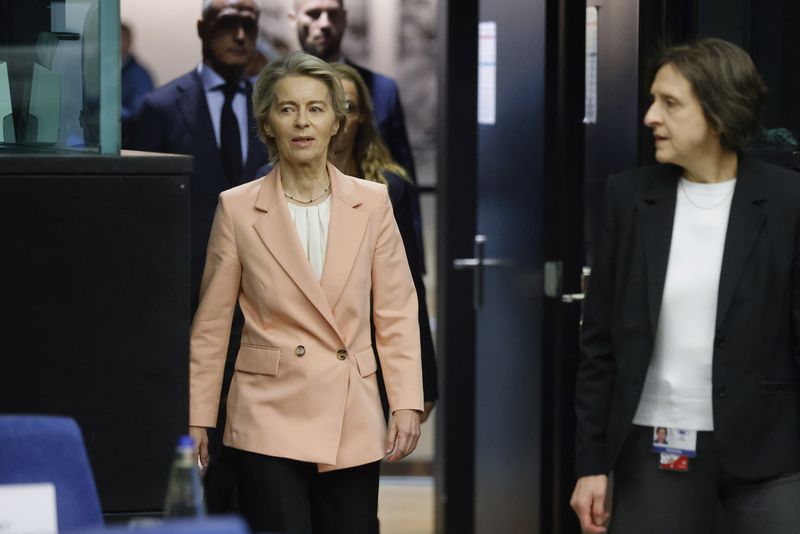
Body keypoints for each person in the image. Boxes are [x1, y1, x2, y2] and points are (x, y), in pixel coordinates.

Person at [571, 38, 800, 534]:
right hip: (656, 446)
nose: (650, 116)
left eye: (670, 103)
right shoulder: (628, 199)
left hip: (771, 453)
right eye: (654, 100)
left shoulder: (787, 202)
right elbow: (600, 344)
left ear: (719, 112)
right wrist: (591, 463)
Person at [189, 51, 423, 533]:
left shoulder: (372, 202)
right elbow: (212, 323)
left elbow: (397, 311)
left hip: (351, 410)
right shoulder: (236, 209)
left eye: (316, 108)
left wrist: (405, 402)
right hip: (266, 411)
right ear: (267, 122)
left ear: (337, 121)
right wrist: (198, 417)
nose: (302, 122)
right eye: (287, 108)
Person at [126, 0, 268, 514]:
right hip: (183, 297)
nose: (239, 35)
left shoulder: (270, 111)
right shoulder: (160, 109)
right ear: (203, 29)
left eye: (248, 25)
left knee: (252, 442)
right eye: (228, 23)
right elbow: (137, 222)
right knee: (189, 435)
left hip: (262, 302)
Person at [329, 63, 438, 421]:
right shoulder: (272, 183)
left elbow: (406, 291)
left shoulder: (389, 188)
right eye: (328, 104)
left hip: (364, 356)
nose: (340, 118)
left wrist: (423, 382)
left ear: (363, 118)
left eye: (350, 107)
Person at [120, 22, 154, 130]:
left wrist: (108, 110)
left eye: (119, 38)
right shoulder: (102, 70)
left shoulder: (139, 76)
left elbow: (139, 114)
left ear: (129, 42)